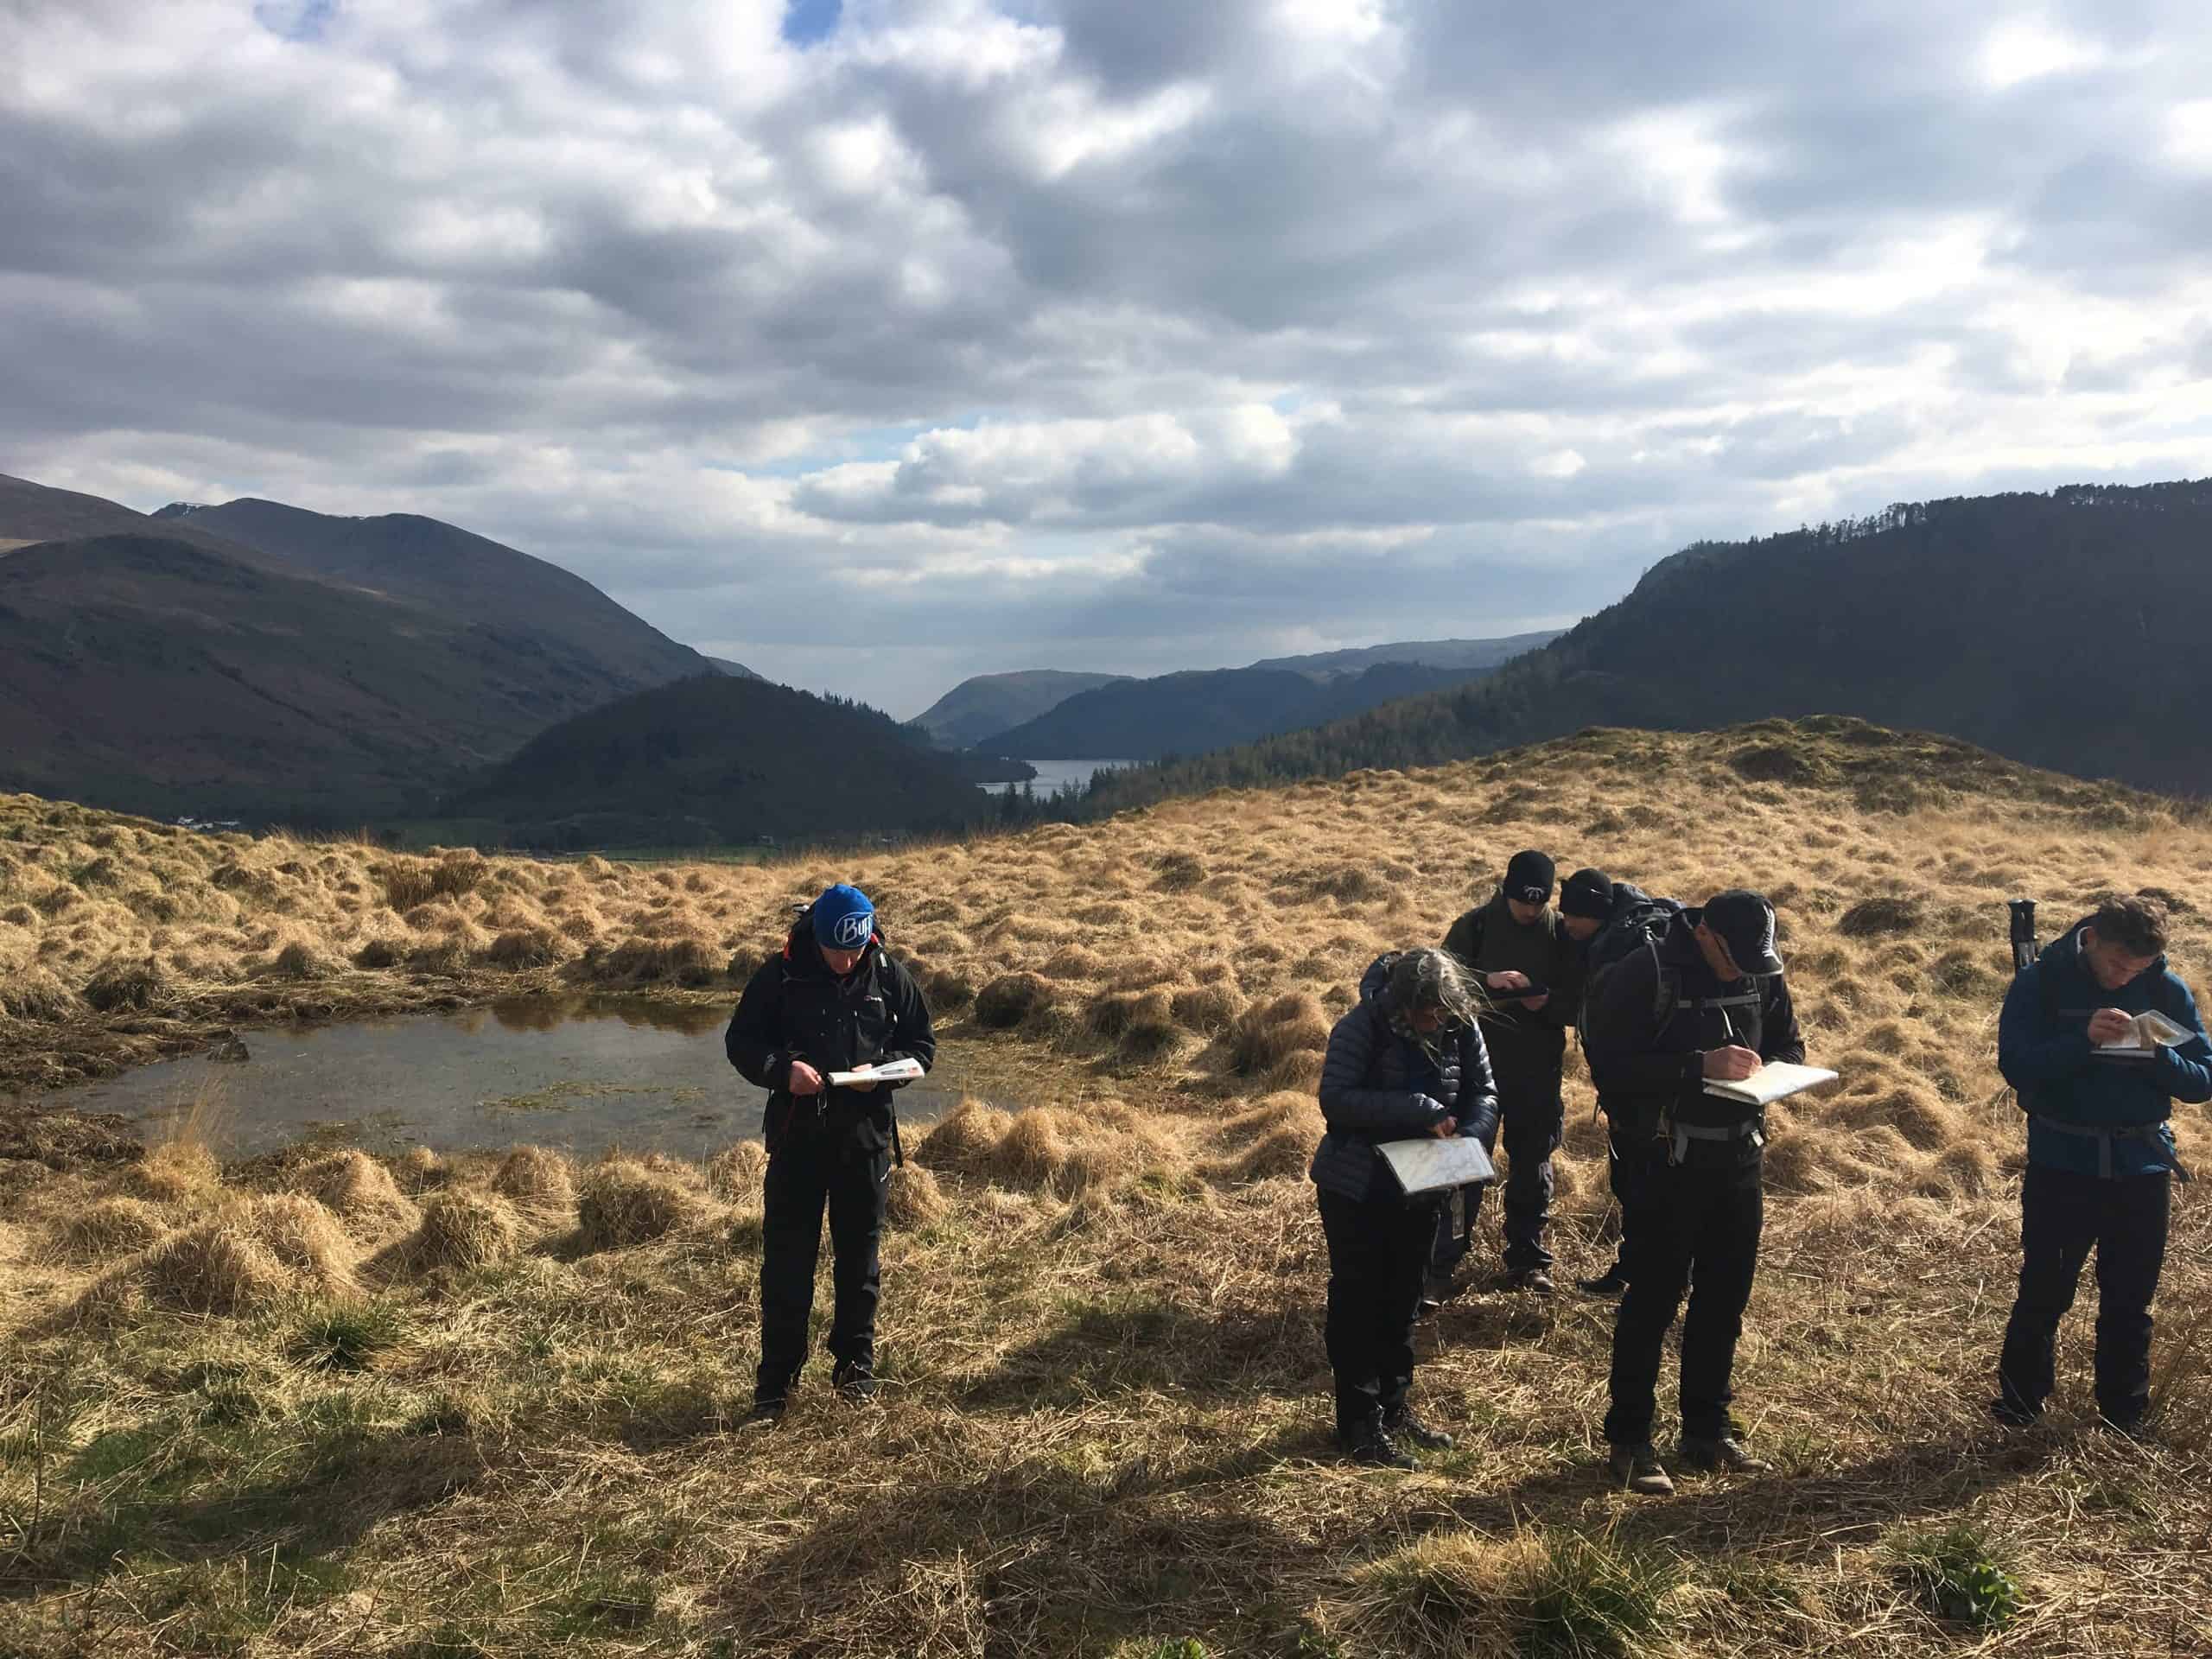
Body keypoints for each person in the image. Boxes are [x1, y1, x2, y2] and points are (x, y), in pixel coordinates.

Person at [1584, 889, 1802, 1496]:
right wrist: (1697, 1067)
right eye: (1733, 958)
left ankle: (1707, 1429)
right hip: (1664, 1160)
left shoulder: (1760, 972)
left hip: (1740, 1158)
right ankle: (1629, 1439)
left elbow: (1790, 1042)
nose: (1744, 972)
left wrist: (1774, 1068)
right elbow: (1609, 1066)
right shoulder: (1644, 972)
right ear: (1704, 933)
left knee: (1724, 1298)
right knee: (1652, 1301)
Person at [1993, 895, 2211, 1433]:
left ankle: (2124, 1416)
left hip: (2142, 1168)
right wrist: (2081, 1041)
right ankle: (2019, 1409)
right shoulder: (2040, 984)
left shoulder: (2165, 987)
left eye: (2136, 969)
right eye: (2117, 963)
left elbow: (2203, 1079)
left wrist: (2156, 1053)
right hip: (2062, 1163)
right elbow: (2017, 1067)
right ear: (2090, 938)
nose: (2124, 977)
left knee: (2130, 1299)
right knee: (2045, 1291)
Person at [726, 882, 936, 1420]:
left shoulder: (888, 973)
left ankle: (855, 1374)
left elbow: (921, 1048)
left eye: (855, 951)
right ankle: (775, 1387)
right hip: (797, 1141)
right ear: (815, 937)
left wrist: (884, 1074)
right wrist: (781, 1071)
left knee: (860, 1262)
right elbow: (741, 1041)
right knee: (786, 1264)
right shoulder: (781, 974)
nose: (845, 963)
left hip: (864, 1142)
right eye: (835, 952)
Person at [1312, 948, 1498, 1468]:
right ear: (1403, 1003)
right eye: (1426, 1012)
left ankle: (1394, 1409)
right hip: (1360, 1185)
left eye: (1442, 1010)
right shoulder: (1361, 1026)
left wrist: (1471, 1135)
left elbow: (1484, 1091)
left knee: (1405, 1297)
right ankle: (1357, 1423)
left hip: (1424, 1183)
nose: (1435, 1020)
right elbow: (1337, 1099)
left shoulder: (1460, 1023)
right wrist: (1420, 1110)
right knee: (1359, 1301)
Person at [1437, 849, 1580, 1295]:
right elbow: (1437, 986)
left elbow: (1583, 1001)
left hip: (1537, 1070)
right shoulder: (1474, 926)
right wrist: (1486, 982)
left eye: (1539, 905)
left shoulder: (1561, 933)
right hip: (1475, 1072)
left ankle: (1527, 1259)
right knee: (1463, 1166)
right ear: (1505, 890)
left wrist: (1545, 1002)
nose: (1531, 912)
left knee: (1533, 1164)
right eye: (1523, 903)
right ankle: (1441, 1265)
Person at [1557, 868, 1673, 1298]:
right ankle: (1634, 1270)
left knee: (1648, 1186)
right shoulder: (1606, 940)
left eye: (1574, 916)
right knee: (1630, 1183)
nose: (1566, 924)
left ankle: (1661, 1277)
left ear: (1597, 912)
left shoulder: (1630, 946)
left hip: (1648, 1092)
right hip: (1625, 1091)